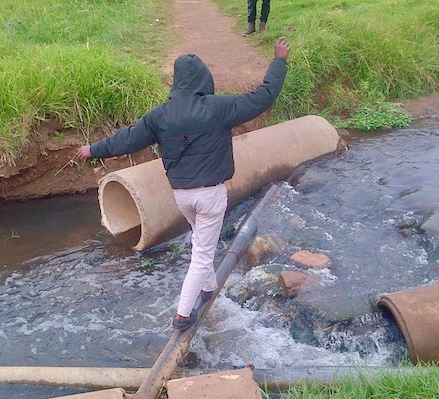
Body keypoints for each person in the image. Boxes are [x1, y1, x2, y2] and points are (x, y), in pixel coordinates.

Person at [76, 37, 291, 330]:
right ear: (205, 78)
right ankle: (182, 313)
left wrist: (93, 149)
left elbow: (125, 139)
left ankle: (209, 288)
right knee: (202, 254)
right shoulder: (219, 107)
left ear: (177, 82)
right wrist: (279, 61)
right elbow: (263, 97)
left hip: (182, 196)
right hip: (211, 196)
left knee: (201, 243)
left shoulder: (159, 116)